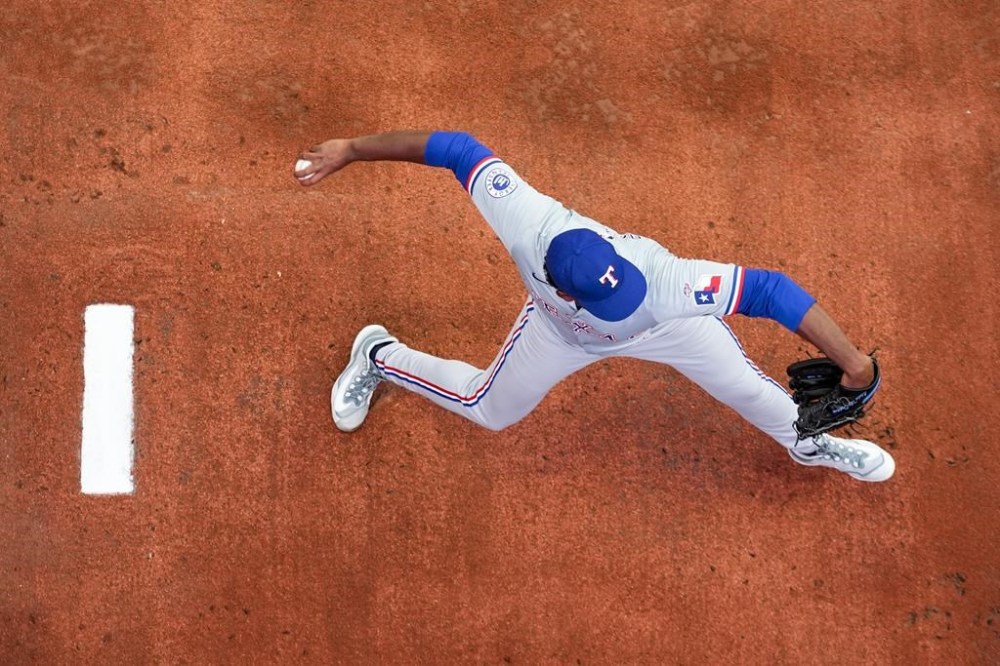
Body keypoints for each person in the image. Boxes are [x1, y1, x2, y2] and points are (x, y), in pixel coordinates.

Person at [293, 131, 894, 483]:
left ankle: (806, 443)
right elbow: (455, 148)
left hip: (668, 331)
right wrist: (352, 149)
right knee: (490, 409)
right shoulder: (526, 222)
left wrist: (854, 364)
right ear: (568, 287)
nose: (622, 291)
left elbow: (772, 291)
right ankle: (378, 354)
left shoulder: (662, 284)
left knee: (745, 386)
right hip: (558, 336)